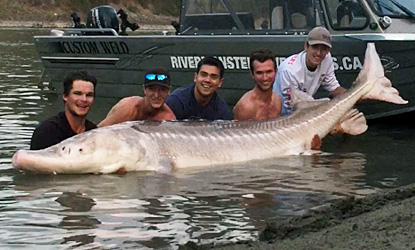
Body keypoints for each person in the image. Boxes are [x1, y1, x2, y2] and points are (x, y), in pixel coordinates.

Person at [273, 26, 346, 116]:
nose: (319, 53)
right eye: (315, 47)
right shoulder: (289, 70)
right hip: (281, 115)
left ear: (328, 51)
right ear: (306, 46)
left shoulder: (327, 58)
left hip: (305, 108)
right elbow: (291, 109)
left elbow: (333, 87)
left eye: (324, 49)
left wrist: (354, 94)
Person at [30, 71, 97, 150]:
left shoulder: (93, 132)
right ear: (65, 96)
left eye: (89, 95)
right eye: (78, 93)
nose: (84, 99)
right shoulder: (47, 131)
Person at [98, 68, 175, 127]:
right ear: (144, 90)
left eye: (162, 90)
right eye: (152, 89)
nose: (156, 95)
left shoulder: (168, 118)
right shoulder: (128, 108)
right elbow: (99, 131)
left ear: (169, 91)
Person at [166, 56, 233, 120]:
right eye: (204, 75)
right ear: (195, 77)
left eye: (213, 77)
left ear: (220, 82)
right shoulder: (176, 102)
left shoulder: (223, 111)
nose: (207, 80)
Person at [233, 48, 281, 120]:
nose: (265, 78)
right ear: (252, 74)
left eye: (269, 72)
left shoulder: (276, 100)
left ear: (276, 72)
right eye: (259, 73)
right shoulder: (246, 107)